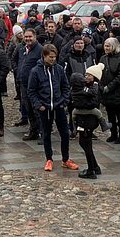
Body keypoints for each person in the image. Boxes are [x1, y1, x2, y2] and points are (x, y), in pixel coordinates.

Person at [28, 43, 78, 172]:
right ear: (44, 56)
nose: (53, 59)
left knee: (65, 133)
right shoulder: (35, 71)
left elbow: (65, 86)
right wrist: (38, 105)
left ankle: (66, 159)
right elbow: (31, 91)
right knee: (46, 134)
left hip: (58, 106)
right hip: (44, 108)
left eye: (54, 57)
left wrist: (64, 101)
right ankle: (49, 159)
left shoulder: (59, 69)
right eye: (50, 57)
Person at [70, 65, 102, 178]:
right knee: (83, 142)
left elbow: (92, 103)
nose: (86, 77)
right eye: (86, 75)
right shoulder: (86, 88)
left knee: (86, 144)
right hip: (83, 121)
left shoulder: (93, 89)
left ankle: (91, 170)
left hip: (87, 121)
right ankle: (95, 166)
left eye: (89, 75)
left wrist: (79, 104)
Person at [15, 28, 43, 141]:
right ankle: (34, 131)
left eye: (30, 37)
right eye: (26, 37)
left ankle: (43, 133)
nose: (28, 39)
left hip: (36, 85)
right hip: (24, 83)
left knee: (37, 110)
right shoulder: (22, 48)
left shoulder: (40, 49)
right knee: (29, 109)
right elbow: (15, 60)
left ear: (34, 37)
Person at [99, 37, 120, 144]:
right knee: (110, 114)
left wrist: (109, 87)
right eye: (105, 45)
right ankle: (113, 134)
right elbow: (100, 72)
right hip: (106, 93)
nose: (106, 48)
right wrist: (101, 86)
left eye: (108, 46)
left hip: (117, 92)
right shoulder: (103, 58)